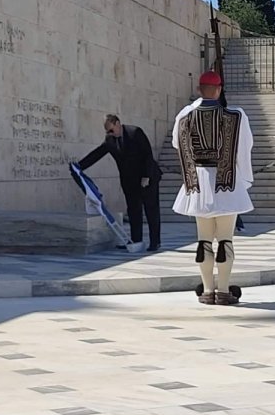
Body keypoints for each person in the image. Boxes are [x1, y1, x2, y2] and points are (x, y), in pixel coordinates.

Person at [172, 71, 254, 305]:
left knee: (204, 240)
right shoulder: (236, 115)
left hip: (198, 184)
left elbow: (177, 144)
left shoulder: (185, 116)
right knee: (226, 239)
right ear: (219, 90)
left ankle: (208, 290)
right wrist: (244, 177)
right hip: (226, 181)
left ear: (199, 90)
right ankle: (225, 290)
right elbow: (245, 147)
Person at [78, 114, 163, 251]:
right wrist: (80, 166)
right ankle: (136, 241)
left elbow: (147, 154)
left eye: (111, 130)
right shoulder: (110, 140)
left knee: (151, 209)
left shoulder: (135, 132)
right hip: (129, 181)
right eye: (107, 132)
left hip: (147, 178)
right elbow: (98, 153)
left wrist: (146, 176)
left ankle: (155, 242)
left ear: (118, 123)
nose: (110, 133)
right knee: (133, 210)